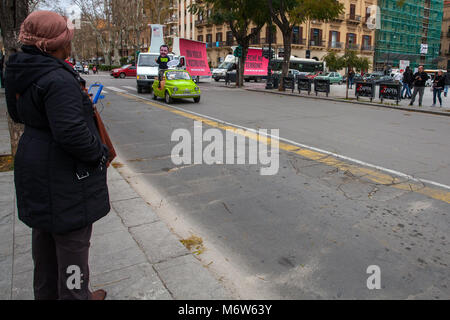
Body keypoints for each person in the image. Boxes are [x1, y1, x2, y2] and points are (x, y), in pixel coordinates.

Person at [5, 11, 110, 300]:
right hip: (62, 174)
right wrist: (98, 154)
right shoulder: (56, 77)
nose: (71, 44)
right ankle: (77, 296)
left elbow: (17, 114)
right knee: (73, 248)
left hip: (34, 163)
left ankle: (49, 294)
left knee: (44, 245)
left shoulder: (20, 68)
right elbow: (72, 134)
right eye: (68, 39)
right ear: (57, 43)